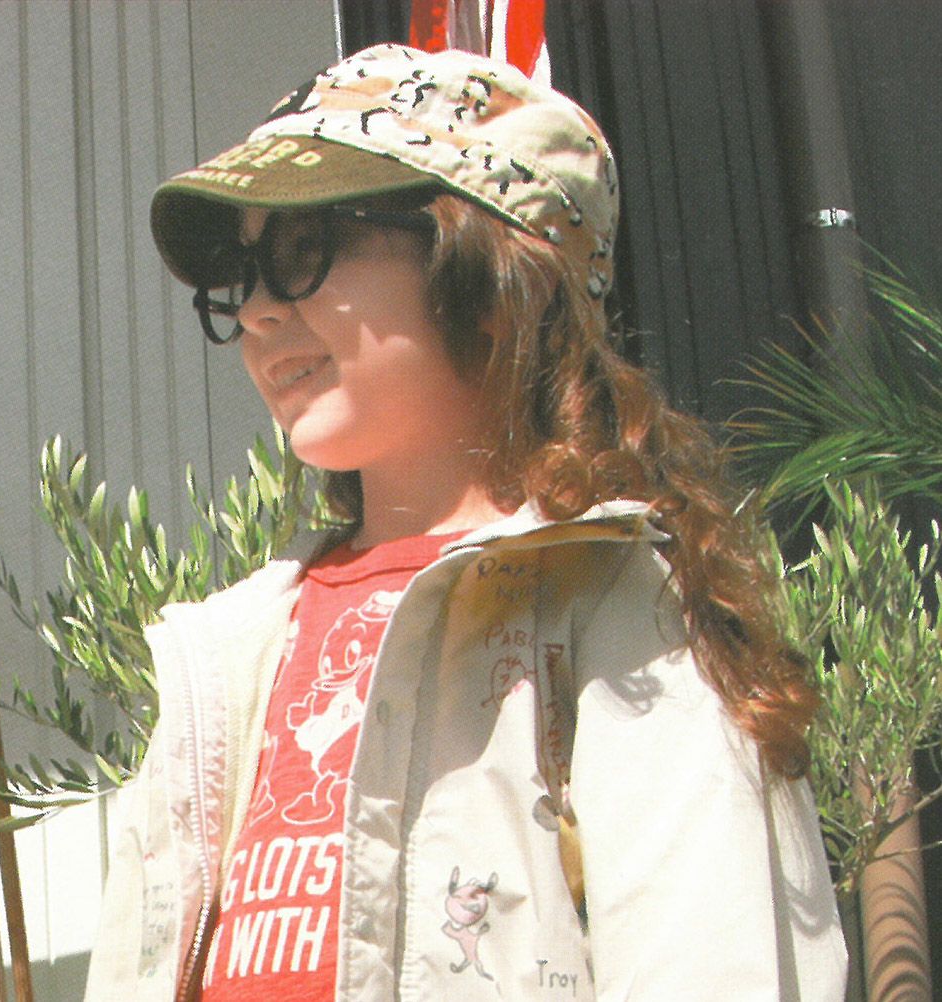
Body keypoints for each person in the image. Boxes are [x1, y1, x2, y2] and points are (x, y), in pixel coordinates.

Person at [84, 43, 847, 1002]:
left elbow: (710, 968)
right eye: (242, 274)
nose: (261, 310)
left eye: (302, 251)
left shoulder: (624, 614)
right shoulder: (233, 650)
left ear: (490, 281)